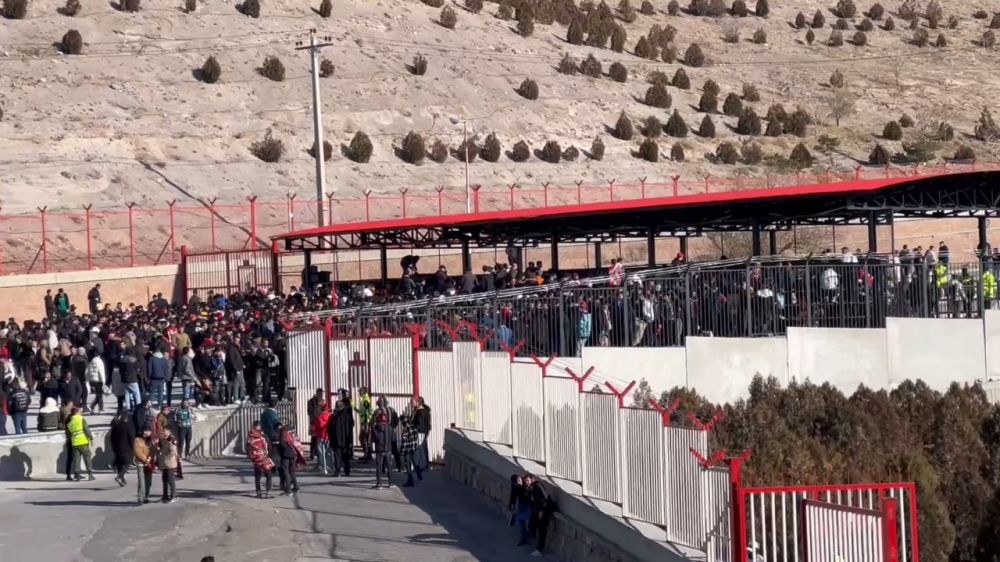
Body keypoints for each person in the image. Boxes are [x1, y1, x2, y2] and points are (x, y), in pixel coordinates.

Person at [65, 407, 95, 481]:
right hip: (83, 441)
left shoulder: (69, 423)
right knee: (87, 458)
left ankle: (77, 476)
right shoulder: (81, 419)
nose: (80, 413)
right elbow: (86, 429)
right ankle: (90, 475)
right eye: (79, 412)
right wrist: (91, 438)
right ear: (77, 412)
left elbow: (68, 434)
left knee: (76, 460)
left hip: (75, 443)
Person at [247, 421, 274, 499]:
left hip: (256, 459)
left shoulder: (250, 436)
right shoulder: (263, 435)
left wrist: (251, 457)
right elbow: (269, 446)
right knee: (268, 474)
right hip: (264, 458)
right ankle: (268, 491)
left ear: (253, 426)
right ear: (259, 426)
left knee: (257, 476)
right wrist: (269, 456)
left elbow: (247, 448)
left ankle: (258, 492)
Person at [328, 394, 354, 477]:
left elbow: (330, 429)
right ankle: (347, 471)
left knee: (337, 455)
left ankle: (338, 471)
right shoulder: (348, 417)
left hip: (336, 439)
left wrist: (331, 439)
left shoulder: (333, 417)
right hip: (346, 439)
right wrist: (350, 439)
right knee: (346, 455)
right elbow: (350, 428)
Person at [276, 423, 304, 495]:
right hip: (293, 454)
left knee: (286, 472)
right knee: (292, 472)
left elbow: (282, 446)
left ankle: (288, 490)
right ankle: (296, 487)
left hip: (285, 455)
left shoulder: (283, 434)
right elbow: (297, 443)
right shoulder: (293, 434)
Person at [109, 409, 135, 487]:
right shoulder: (127, 426)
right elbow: (131, 437)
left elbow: (111, 438)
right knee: (128, 462)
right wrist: (133, 447)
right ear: (126, 418)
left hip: (117, 448)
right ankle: (119, 476)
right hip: (126, 448)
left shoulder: (115, 426)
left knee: (120, 463)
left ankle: (122, 479)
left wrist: (114, 447)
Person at [371, 404, 392, 489]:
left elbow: (374, 439)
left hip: (379, 449)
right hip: (388, 449)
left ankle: (379, 483)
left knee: (379, 466)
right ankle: (390, 483)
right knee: (389, 465)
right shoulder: (389, 427)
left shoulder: (376, 427)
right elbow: (392, 438)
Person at [399, 414, 423, 487]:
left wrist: (401, 452)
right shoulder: (414, 427)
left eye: (401, 422)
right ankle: (419, 476)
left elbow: (404, 442)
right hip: (414, 448)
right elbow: (416, 438)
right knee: (415, 462)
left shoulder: (405, 430)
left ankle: (410, 480)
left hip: (407, 449)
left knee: (408, 465)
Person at [134, 428, 156, 505]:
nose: (148, 432)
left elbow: (153, 450)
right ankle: (140, 498)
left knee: (148, 481)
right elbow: (137, 451)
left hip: (148, 463)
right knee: (142, 482)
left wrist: (149, 458)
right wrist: (145, 459)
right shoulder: (137, 440)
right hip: (140, 463)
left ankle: (145, 497)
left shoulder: (150, 441)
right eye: (146, 431)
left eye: (149, 431)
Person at [157, 426, 179, 503]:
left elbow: (173, 451)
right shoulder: (163, 439)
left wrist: (166, 457)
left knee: (170, 480)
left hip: (170, 463)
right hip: (164, 463)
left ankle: (173, 496)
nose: (163, 432)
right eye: (163, 430)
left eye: (164, 430)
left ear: (169, 431)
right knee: (164, 480)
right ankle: (165, 496)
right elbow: (161, 449)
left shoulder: (172, 439)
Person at [310, 399, 331, 474]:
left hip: (320, 436)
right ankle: (329, 465)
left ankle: (323, 467)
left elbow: (315, 427)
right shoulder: (329, 416)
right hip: (328, 436)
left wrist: (314, 431)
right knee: (328, 452)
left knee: (321, 452)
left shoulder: (319, 417)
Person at [411, 396, 431, 470]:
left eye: (412, 402)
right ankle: (423, 464)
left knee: (420, 448)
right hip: (423, 431)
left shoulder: (420, 411)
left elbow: (420, 422)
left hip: (420, 431)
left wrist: (415, 429)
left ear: (417, 402)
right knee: (422, 448)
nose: (411, 404)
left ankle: (421, 465)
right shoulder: (419, 410)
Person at [355, 387, 374, 461]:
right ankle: (367, 455)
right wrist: (356, 409)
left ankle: (367, 455)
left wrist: (365, 424)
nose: (359, 392)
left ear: (364, 392)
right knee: (364, 438)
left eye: (360, 391)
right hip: (364, 422)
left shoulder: (365, 399)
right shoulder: (363, 399)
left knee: (364, 438)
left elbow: (368, 411)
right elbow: (363, 411)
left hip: (366, 422)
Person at [306, 388, 324, 461]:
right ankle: (312, 454)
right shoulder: (311, 401)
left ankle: (318, 453)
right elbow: (309, 412)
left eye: (321, 394)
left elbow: (324, 410)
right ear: (317, 393)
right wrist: (317, 407)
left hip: (321, 422)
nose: (321, 395)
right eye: (320, 393)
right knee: (313, 438)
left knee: (319, 438)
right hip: (313, 421)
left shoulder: (322, 401)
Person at [86, 349, 106, 414]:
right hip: (98, 380)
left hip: (92, 380)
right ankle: (92, 406)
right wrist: (103, 381)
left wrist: (88, 380)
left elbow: (87, 372)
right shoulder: (99, 361)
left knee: (99, 394)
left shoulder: (91, 361)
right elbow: (101, 372)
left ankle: (100, 407)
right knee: (99, 395)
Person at [70, 348, 90, 413]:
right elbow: (86, 371)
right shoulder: (83, 360)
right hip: (81, 379)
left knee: (77, 392)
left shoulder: (74, 359)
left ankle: (76, 406)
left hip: (74, 378)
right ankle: (84, 407)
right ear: (83, 352)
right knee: (84, 393)